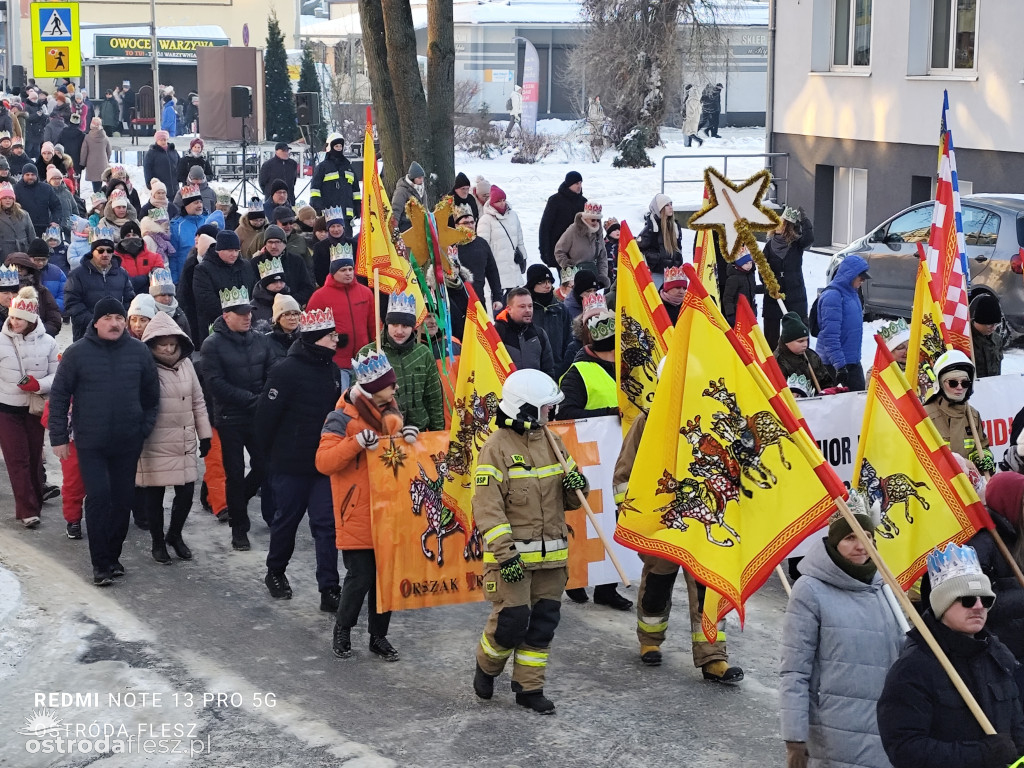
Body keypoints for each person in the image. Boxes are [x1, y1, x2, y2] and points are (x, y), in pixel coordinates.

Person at [471, 368, 587, 713]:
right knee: (512, 622)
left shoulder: (553, 442)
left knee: (542, 624)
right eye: (546, 407)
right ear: (525, 408)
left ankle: (528, 688)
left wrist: (577, 486)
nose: (551, 412)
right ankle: (487, 666)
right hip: (513, 561)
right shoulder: (495, 448)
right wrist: (506, 557)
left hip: (552, 559)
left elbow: (573, 500)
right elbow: (487, 509)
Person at [612, 388, 744, 682]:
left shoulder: (708, 419)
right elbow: (625, 473)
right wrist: (629, 514)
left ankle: (713, 656)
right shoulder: (648, 421)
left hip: (701, 520)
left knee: (707, 589)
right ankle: (650, 641)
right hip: (662, 521)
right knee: (657, 586)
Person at [779, 498, 905, 768]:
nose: (861, 546)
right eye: (850, 537)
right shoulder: (810, 590)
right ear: (834, 541)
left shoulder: (885, 588)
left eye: (867, 536)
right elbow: (795, 671)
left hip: (886, 730)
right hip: (835, 735)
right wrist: (795, 739)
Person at [877, 543, 1024, 768]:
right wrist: (980, 754)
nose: (978, 606)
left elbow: (1017, 728)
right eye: (967, 599)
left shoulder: (997, 656)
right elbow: (904, 749)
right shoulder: (914, 668)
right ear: (942, 604)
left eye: (986, 600)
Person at [49, 297, 160, 584]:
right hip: (91, 442)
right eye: (108, 318)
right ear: (96, 322)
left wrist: (143, 428)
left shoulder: (138, 352)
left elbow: (151, 397)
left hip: (127, 441)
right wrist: (59, 437)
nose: (115, 323)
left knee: (122, 501)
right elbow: (59, 396)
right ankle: (100, 564)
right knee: (98, 498)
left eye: (120, 318)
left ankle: (113, 557)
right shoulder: (77, 353)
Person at [319, 349, 412, 662]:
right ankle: (343, 630)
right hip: (356, 511)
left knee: (385, 579)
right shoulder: (340, 418)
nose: (396, 388)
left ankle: (378, 637)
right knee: (360, 577)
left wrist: (409, 439)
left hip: (389, 511)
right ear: (374, 389)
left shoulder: (391, 414)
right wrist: (356, 443)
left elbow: (399, 460)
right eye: (391, 384)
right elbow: (324, 462)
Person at [256, 307, 342, 610]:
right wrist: (269, 460)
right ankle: (275, 571)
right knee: (286, 521)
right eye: (332, 336)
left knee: (326, 525)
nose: (337, 340)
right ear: (317, 338)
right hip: (290, 464)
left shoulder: (333, 370)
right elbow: (265, 419)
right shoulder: (285, 371)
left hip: (323, 464)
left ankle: (329, 588)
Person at [557, 305, 633, 611]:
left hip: (621, 458)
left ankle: (607, 587)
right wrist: (609, 414)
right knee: (585, 521)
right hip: (590, 460)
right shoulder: (578, 372)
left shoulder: (629, 366)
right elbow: (566, 414)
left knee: (614, 520)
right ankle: (575, 578)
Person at [200, 283, 274, 552]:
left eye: (249, 312)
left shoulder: (260, 340)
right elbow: (215, 384)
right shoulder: (212, 344)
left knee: (265, 466)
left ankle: (237, 501)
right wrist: (252, 399)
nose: (248, 317)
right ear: (226, 315)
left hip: (257, 416)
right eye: (241, 313)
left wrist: (264, 398)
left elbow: (271, 372)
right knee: (233, 472)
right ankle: (239, 529)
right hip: (230, 417)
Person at [137, 311, 211, 563]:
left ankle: (175, 534)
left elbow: (198, 401)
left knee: (186, 493)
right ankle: (158, 542)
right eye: (163, 345)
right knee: (154, 497)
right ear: (152, 345)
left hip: (183, 440)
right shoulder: (145, 368)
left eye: (172, 344)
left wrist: (204, 434)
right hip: (154, 441)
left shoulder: (186, 364)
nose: (169, 349)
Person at [0, 287, 58, 528]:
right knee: (17, 459)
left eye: (20, 319)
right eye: (12, 317)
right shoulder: (1, 341)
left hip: (34, 410)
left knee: (34, 458)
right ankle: (27, 509)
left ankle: (35, 502)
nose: (14, 322)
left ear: (32, 319)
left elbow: (57, 375)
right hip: (6, 409)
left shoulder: (49, 343)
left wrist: (38, 385)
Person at [356, 291, 445, 433]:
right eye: (394, 324)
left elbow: (433, 398)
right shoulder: (368, 354)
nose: (399, 331)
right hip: (383, 433)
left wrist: (438, 433)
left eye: (405, 326)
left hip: (419, 432)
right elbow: (358, 400)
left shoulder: (423, 353)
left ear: (413, 327)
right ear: (387, 324)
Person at [306, 246, 375, 389]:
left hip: (364, 360)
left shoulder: (366, 293)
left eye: (350, 269)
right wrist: (334, 337)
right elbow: (310, 332)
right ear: (333, 272)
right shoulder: (319, 296)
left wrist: (375, 349)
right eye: (343, 270)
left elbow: (374, 324)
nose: (348, 273)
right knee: (341, 399)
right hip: (336, 362)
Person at [923, 350, 993, 470]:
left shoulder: (973, 415)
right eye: (953, 383)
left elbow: (982, 446)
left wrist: (983, 458)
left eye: (965, 383)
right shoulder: (925, 415)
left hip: (967, 480)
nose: (960, 387)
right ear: (940, 384)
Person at [64, 229, 135, 341]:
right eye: (101, 250)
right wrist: (94, 321)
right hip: (86, 333)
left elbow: (129, 300)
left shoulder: (122, 274)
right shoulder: (77, 274)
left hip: (116, 331)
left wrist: (119, 319)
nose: (105, 254)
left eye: (109, 250)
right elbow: (72, 303)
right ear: (93, 252)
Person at [192, 229, 257, 348]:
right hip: (216, 325)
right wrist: (233, 316)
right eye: (230, 250)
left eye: (236, 250)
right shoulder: (203, 269)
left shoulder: (246, 266)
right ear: (219, 250)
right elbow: (205, 299)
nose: (234, 254)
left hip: (245, 323)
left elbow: (253, 290)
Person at [762, 206, 815, 350]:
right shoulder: (769, 246)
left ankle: (799, 358)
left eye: (783, 223)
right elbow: (762, 269)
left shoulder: (796, 245)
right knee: (771, 336)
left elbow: (809, 238)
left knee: (799, 331)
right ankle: (774, 361)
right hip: (774, 296)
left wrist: (804, 220)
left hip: (795, 295)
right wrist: (768, 285)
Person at [816, 253, 869, 392]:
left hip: (852, 361)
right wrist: (840, 366)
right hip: (833, 364)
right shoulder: (833, 296)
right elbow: (830, 336)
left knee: (859, 401)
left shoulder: (852, 293)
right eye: (861, 277)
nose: (863, 281)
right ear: (850, 275)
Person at [476, 185, 526, 295]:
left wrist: (523, 257)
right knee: (499, 298)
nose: (502, 203)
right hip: (496, 265)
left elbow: (519, 239)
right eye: (498, 201)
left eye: (503, 200)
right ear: (492, 202)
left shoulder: (513, 215)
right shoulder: (485, 220)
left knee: (515, 298)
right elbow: (482, 246)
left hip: (513, 263)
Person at [495, 287, 555, 378]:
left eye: (530, 306)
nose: (528, 310)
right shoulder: (496, 334)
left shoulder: (539, 334)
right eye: (522, 306)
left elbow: (548, 370)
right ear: (509, 309)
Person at [253, 221, 314, 307]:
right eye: (270, 242)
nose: (273, 246)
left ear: (285, 244)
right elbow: (252, 289)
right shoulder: (256, 262)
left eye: (277, 242)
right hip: (264, 307)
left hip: (292, 306)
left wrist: (290, 301)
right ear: (265, 244)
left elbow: (308, 288)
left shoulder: (296, 261)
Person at [526, 265, 572, 379]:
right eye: (542, 282)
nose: (547, 285)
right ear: (532, 284)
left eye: (549, 281)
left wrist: (564, 365)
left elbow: (569, 339)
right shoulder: (527, 310)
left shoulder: (561, 309)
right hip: (532, 371)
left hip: (558, 370)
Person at [453, 205, 503, 309]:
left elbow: (492, 271)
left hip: (478, 299)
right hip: (456, 301)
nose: (470, 225)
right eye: (466, 223)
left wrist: (497, 297)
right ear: (457, 225)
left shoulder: (481, 243)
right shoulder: (451, 244)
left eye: (472, 222)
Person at [309, 132, 361, 228]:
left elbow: (356, 190)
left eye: (340, 146)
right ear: (330, 147)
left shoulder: (348, 167)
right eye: (336, 146)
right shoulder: (322, 167)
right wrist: (317, 206)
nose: (339, 148)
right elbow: (315, 189)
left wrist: (358, 206)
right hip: (329, 214)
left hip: (347, 216)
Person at [774, 313, 833, 395]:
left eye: (806, 340)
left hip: (814, 401)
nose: (805, 344)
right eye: (800, 341)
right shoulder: (777, 361)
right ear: (787, 342)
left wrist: (827, 392)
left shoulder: (812, 356)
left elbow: (826, 382)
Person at [538, 171, 586, 269]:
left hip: (579, 251)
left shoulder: (583, 202)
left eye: (580, 183)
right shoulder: (555, 201)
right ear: (569, 184)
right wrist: (545, 251)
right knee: (566, 278)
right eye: (576, 183)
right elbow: (545, 227)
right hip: (560, 250)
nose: (579, 186)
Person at [554, 202, 608, 287]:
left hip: (592, 278)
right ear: (585, 218)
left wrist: (602, 276)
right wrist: (569, 267)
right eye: (593, 220)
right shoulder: (573, 230)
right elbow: (559, 251)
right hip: (573, 280)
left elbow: (602, 257)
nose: (595, 222)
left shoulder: (598, 233)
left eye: (598, 220)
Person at [636, 194, 682, 280]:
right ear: (659, 209)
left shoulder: (675, 226)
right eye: (667, 205)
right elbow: (639, 250)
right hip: (656, 274)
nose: (671, 207)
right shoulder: (651, 228)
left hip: (673, 274)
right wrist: (658, 259)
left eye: (671, 204)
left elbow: (678, 249)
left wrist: (678, 263)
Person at [114, 221, 163, 296]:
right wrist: (145, 278)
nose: (131, 238)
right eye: (127, 235)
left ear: (140, 237)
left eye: (134, 235)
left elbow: (159, 280)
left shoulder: (155, 258)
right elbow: (117, 282)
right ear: (122, 239)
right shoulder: (115, 259)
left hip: (149, 298)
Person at [311, 207, 357, 287]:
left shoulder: (354, 244)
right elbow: (318, 271)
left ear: (343, 227)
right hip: (329, 286)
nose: (336, 229)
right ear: (328, 228)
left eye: (338, 226)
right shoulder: (319, 247)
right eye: (333, 226)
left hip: (352, 285)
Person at [15, 164, 60, 237]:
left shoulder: (46, 188)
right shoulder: (16, 189)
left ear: (36, 175)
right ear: (23, 175)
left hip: (43, 227)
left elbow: (56, 206)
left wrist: (55, 220)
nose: (30, 177)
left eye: (32, 175)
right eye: (27, 175)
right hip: (23, 228)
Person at [250, 257, 291, 333]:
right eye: (274, 282)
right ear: (265, 284)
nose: (279, 285)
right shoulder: (253, 308)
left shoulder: (291, 301)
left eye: (281, 282)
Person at [970, 294, 1005, 379]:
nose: (993, 328)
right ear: (979, 320)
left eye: (996, 324)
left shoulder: (997, 339)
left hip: (993, 385)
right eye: (989, 324)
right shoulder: (966, 339)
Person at [0, 182, 38, 261]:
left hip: (23, 250)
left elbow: (31, 234)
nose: (8, 200)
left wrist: (33, 252)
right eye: (4, 198)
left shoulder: (24, 214)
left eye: (10, 198)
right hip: (4, 252)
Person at [148, 268, 189, 335]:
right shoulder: (146, 315)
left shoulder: (179, 314)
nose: (167, 298)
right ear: (154, 296)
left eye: (170, 295)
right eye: (163, 295)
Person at [143, 130, 181, 202]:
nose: (163, 142)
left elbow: (179, 165)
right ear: (157, 141)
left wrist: (179, 177)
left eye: (165, 140)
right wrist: (149, 183)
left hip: (174, 188)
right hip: (160, 188)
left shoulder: (173, 151)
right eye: (161, 140)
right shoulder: (151, 153)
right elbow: (147, 169)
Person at [391, 162, 428, 231]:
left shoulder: (422, 191)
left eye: (422, 177)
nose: (422, 180)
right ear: (413, 178)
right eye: (419, 178)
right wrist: (394, 227)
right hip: (405, 226)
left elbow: (425, 208)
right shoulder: (401, 191)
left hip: (420, 226)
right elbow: (396, 209)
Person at [266, 293, 301, 362]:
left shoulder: (304, 338)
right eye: (287, 314)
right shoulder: (267, 340)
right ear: (278, 319)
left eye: (296, 313)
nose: (293, 318)